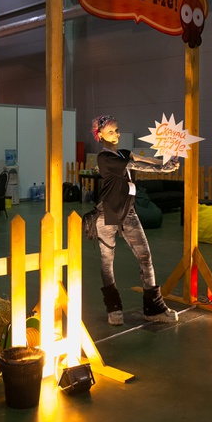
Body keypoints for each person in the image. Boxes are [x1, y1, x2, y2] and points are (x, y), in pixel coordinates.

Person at [91, 114, 180, 326]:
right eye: (110, 131)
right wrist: (162, 168)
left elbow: (142, 159)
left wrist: (165, 162)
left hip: (128, 212)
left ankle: (153, 308)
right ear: (99, 135)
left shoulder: (122, 153)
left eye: (116, 130)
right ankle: (114, 308)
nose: (116, 134)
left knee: (145, 256)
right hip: (107, 213)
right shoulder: (104, 157)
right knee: (107, 261)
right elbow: (133, 165)